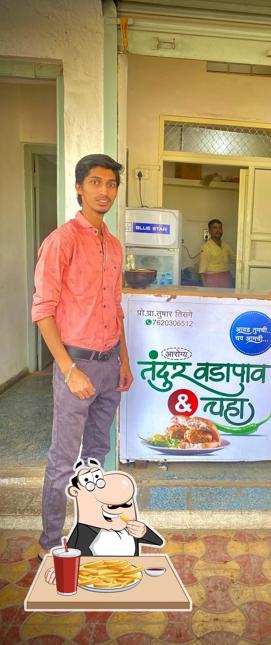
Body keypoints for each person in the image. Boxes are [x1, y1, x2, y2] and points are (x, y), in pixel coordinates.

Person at [32, 153, 133, 555]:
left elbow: (116, 306)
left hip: (110, 366)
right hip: (77, 366)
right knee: (63, 459)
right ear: (79, 187)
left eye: (111, 184)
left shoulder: (113, 244)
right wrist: (69, 368)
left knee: (96, 454)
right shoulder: (61, 241)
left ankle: (89, 530)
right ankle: (49, 541)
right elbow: (43, 311)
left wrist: (124, 361)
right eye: (95, 182)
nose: (104, 191)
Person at [43, 459, 164, 583]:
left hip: (129, 581)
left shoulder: (130, 528)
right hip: (94, 583)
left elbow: (158, 542)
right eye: (112, 506)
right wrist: (61, 572)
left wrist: (143, 532)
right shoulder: (84, 531)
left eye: (127, 504)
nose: (119, 511)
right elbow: (70, 556)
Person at [198, 218, 235, 287]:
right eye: (214, 228)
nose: (218, 230)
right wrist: (205, 290)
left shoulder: (226, 245)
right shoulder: (206, 247)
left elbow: (235, 260)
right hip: (212, 281)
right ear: (210, 231)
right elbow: (202, 272)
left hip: (226, 279)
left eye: (220, 228)